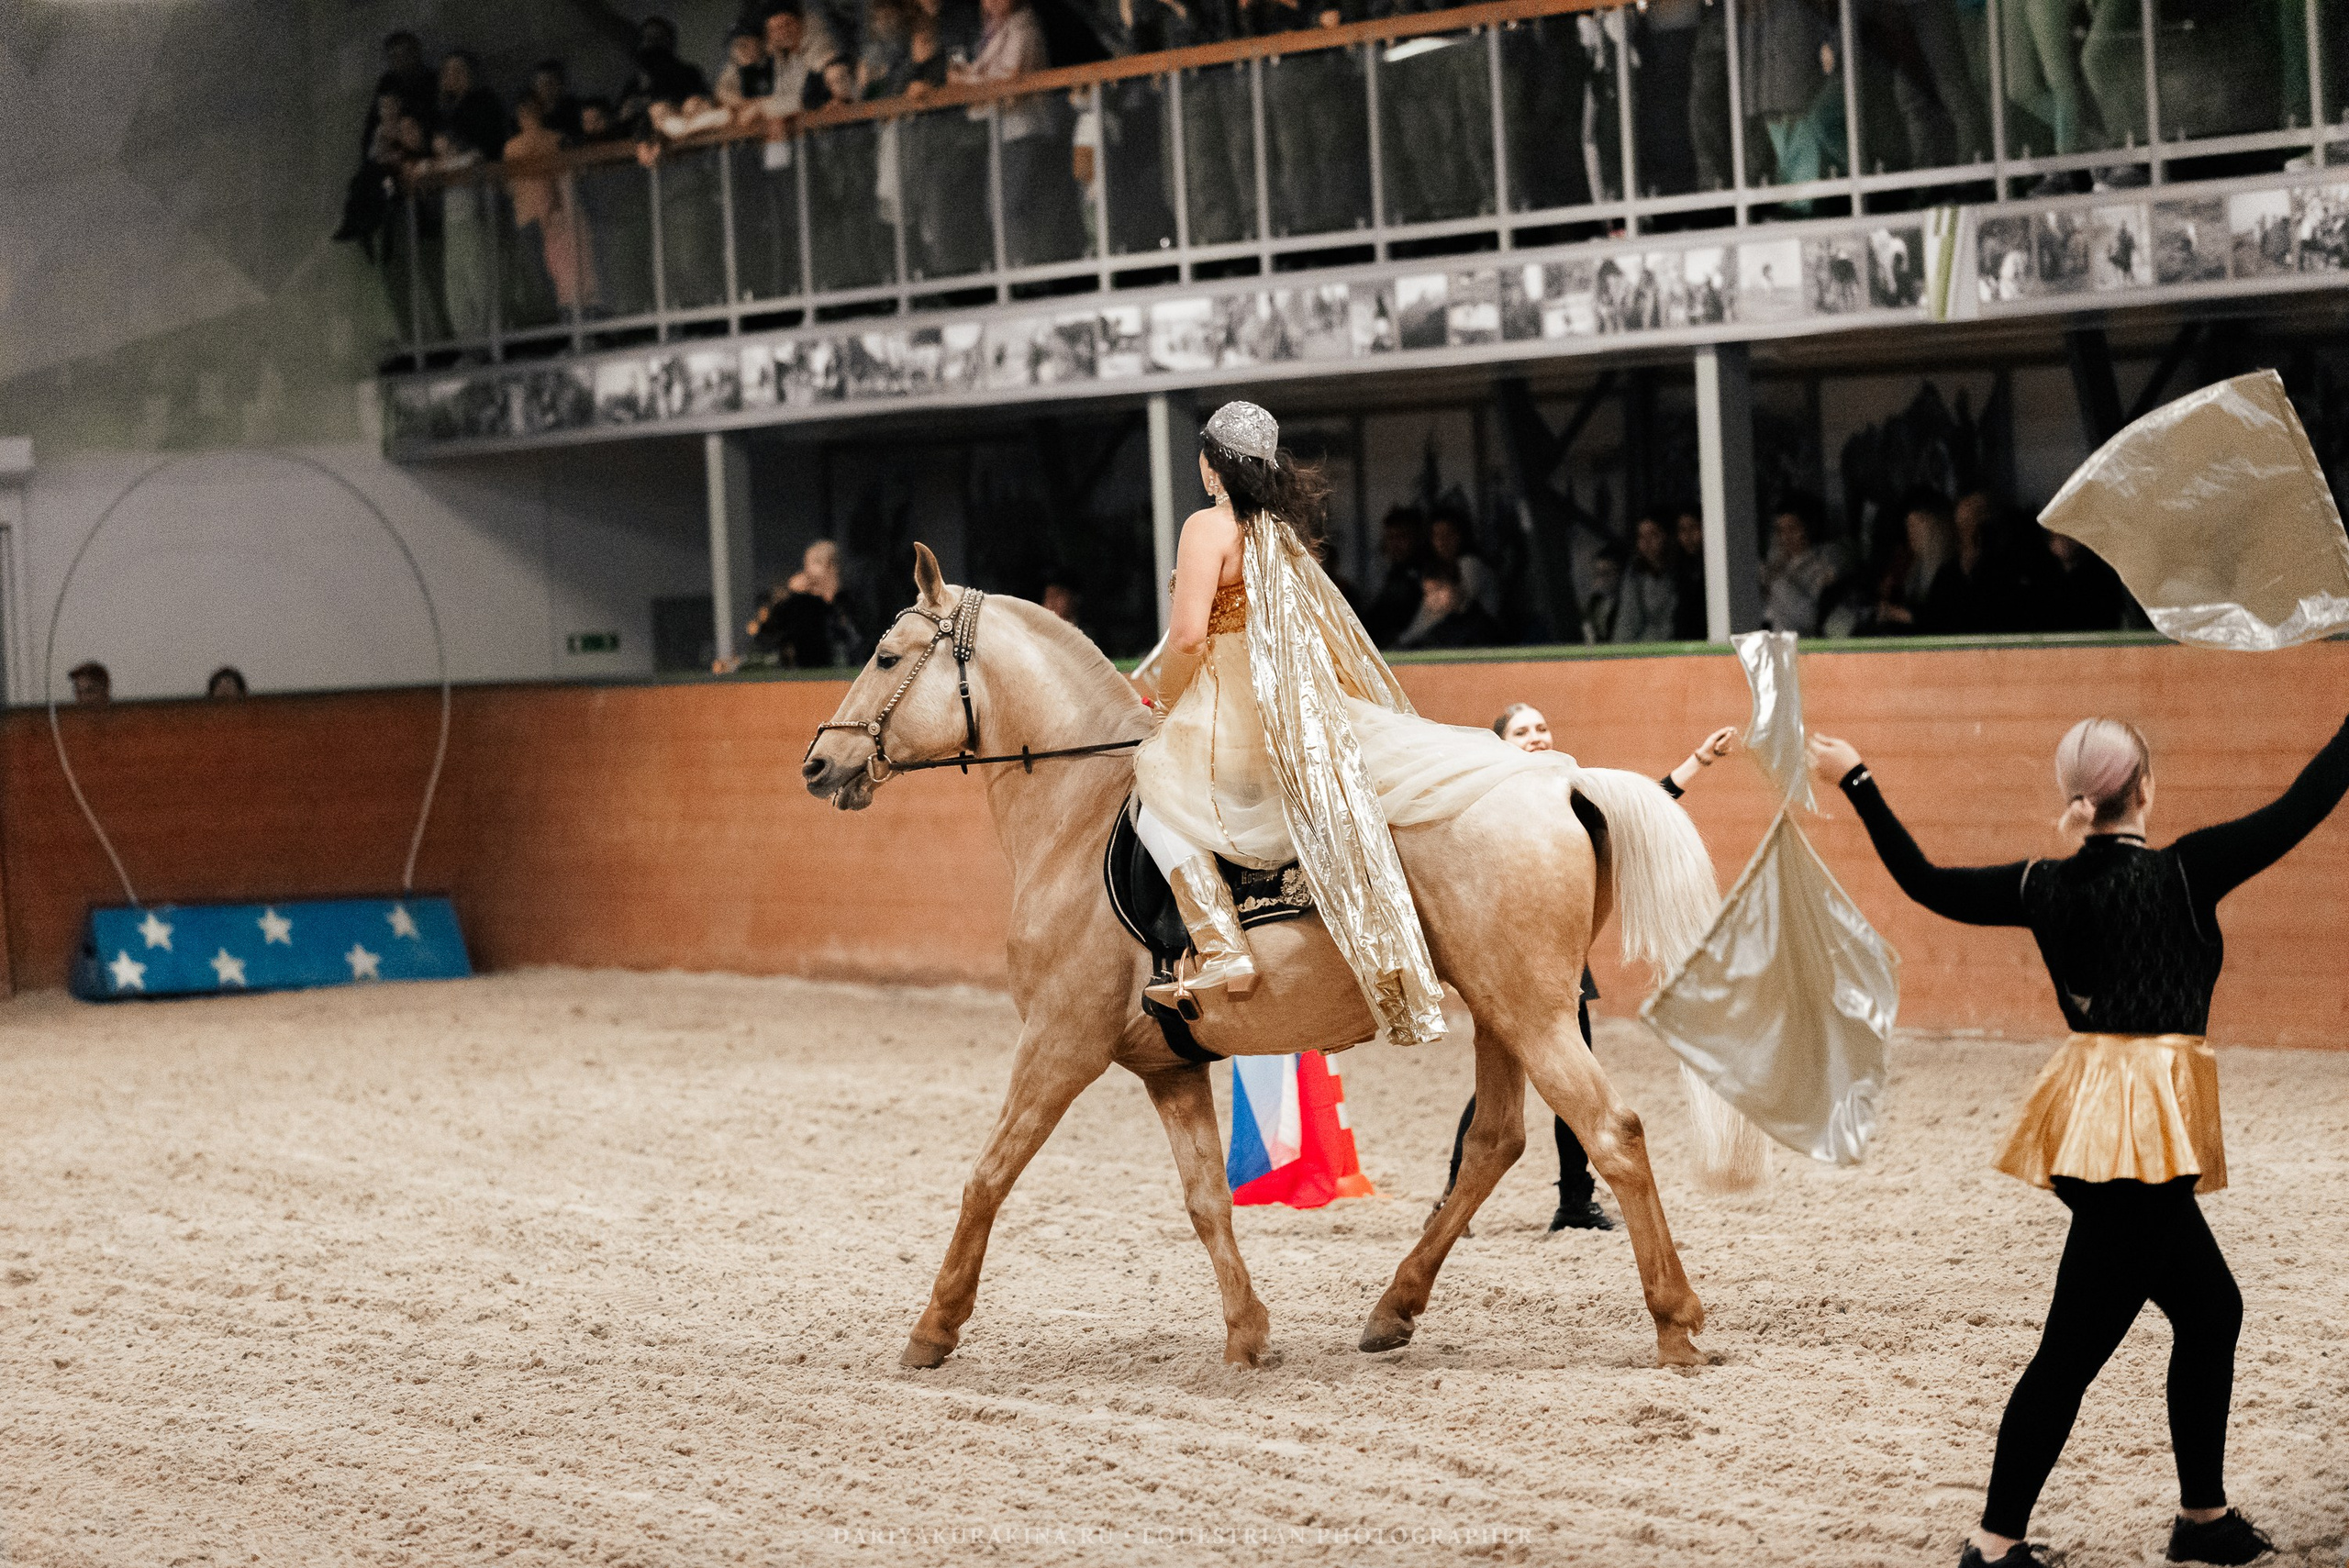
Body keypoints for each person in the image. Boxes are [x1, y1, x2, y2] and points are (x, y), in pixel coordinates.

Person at [1808, 713, 2349, 1568]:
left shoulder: (2041, 885)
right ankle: (1994, 1544)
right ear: (2145, 789)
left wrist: (1859, 778)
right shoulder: (2186, 870)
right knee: (2073, 1349)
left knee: (2212, 1310)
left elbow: (1924, 881)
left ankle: (2201, 1518)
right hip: (2138, 1134)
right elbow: (2307, 799)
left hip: (2097, 1121)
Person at [1130, 401, 1569, 1042]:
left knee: (1155, 801)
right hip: (1294, 716)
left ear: (1214, 463)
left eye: (1202, 454)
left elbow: (1190, 637)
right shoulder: (1280, 533)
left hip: (1229, 716)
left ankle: (1221, 944)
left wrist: (1163, 699)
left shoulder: (1207, 526)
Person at [1437, 705, 1739, 1232]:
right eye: (1522, 731)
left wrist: (1698, 761)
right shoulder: (1488, 807)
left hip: (1562, 969)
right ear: (1499, 745)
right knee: (1506, 1089)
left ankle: (1574, 1202)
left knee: (1572, 1084)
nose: (1537, 737)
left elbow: (1643, 806)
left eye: (1542, 727)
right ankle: (1456, 1195)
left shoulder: (1566, 794)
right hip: (1512, 971)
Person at [954, 0, 1085, 268]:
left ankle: (1022, 271)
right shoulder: (993, 32)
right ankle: (1014, 269)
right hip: (1002, 131)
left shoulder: (1023, 27)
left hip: (1025, 129)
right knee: (999, 206)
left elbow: (1008, 79)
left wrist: (967, 81)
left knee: (1010, 205)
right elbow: (983, 74)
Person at [746, 540, 862, 669]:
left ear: (829, 565)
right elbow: (765, 635)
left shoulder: (850, 599)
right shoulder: (800, 604)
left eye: (811, 563)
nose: (806, 570)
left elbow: (851, 637)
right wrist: (788, 596)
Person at [1760, 493, 1839, 636]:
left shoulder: (1822, 566)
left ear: (1808, 528)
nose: (1785, 537)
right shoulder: (1773, 565)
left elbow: (1810, 619)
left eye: (1792, 529)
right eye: (1780, 530)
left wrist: (1776, 582)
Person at [1363, 506, 1429, 649]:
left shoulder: (1428, 570)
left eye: (1402, 537)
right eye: (1391, 538)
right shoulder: (1384, 569)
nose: (1395, 544)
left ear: (1416, 538)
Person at [1396, 563, 1502, 651]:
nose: (1433, 599)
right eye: (1428, 593)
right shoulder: (1437, 630)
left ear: (1456, 585)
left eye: (1438, 590)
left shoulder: (1482, 627)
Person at [1610, 515, 1682, 643]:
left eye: (1653, 535)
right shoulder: (1635, 577)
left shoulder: (1682, 574)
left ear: (1667, 536)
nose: (1646, 542)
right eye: (1641, 537)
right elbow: (1627, 622)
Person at [1671, 508, 1709, 640]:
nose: (1688, 536)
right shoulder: (1676, 569)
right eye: (1682, 530)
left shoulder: (1715, 568)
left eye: (1693, 527)